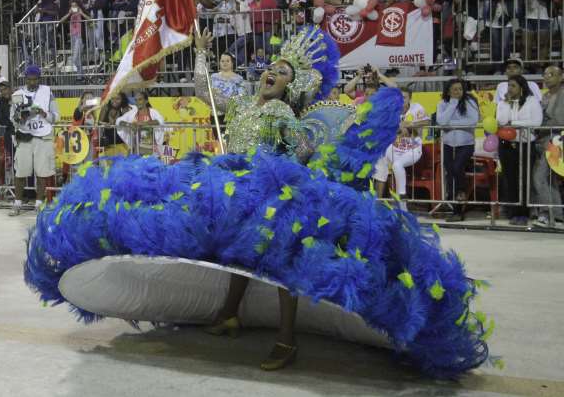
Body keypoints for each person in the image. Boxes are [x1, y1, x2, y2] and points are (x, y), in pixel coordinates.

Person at [25, 26, 494, 378]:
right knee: (231, 251)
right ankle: (229, 313)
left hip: (276, 197)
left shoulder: (285, 113)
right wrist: (204, 57)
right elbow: (200, 93)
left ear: (294, 86)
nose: (271, 72)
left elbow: (304, 151)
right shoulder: (247, 105)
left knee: (281, 261)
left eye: (282, 72)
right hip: (234, 186)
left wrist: (303, 143)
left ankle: (286, 338)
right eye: (271, 67)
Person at [10, 65, 59, 216]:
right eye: (30, 79)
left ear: (39, 79)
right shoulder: (17, 94)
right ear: (26, 79)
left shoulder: (47, 91)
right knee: (21, 172)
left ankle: (39, 204)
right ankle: (17, 204)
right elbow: (13, 119)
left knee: (42, 173)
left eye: (35, 79)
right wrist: (24, 116)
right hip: (24, 136)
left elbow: (56, 117)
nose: (32, 82)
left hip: (43, 136)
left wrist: (43, 113)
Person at [496, 75, 543, 226]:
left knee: (524, 180)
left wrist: (514, 123)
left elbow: (536, 122)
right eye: (509, 85)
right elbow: (501, 121)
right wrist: (506, 104)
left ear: (522, 87)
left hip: (525, 145)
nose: (510, 89)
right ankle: (513, 211)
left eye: (513, 86)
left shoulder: (532, 101)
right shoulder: (504, 102)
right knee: (510, 180)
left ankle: (524, 213)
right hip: (507, 145)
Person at [372, 88, 430, 207]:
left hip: (413, 148)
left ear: (410, 98)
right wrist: (398, 128)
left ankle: (402, 197)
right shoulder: (392, 110)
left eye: (404, 97)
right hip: (395, 147)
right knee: (380, 159)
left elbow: (427, 122)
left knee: (397, 165)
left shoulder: (416, 108)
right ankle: (376, 202)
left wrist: (410, 124)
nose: (401, 100)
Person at [436, 79, 480, 219]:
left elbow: (473, 121)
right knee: (451, 173)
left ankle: (460, 192)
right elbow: (441, 121)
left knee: (457, 167)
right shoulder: (443, 104)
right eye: (454, 89)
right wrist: (453, 104)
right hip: (448, 144)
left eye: (460, 89)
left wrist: (451, 124)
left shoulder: (470, 102)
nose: (458, 92)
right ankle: (456, 210)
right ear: (448, 91)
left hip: (466, 144)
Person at [532, 66, 564, 229]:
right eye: (545, 74)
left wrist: (539, 126)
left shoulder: (562, 94)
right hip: (543, 140)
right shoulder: (545, 96)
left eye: (551, 74)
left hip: (556, 141)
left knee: (539, 177)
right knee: (550, 180)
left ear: (561, 77)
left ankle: (545, 213)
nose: (547, 77)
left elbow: (559, 120)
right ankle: (557, 214)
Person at [116, 91, 166, 157]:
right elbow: (119, 121)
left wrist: (144, 123)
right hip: (136, 149)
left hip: (151, 149)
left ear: (146, 101)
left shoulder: (153, 112)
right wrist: (129, 125)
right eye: (136, 100)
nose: (137, 102)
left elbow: (160, 120)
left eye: (140, 99)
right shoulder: (132, 113)